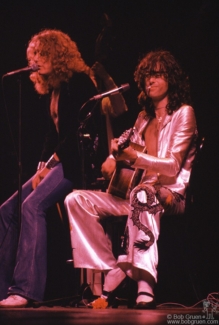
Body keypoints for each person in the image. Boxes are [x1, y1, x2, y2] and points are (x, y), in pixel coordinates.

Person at [64, 50, 198, 309]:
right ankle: (115, 268)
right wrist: (113, 159)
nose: (150, 80)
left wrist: (133, 159)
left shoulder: (184, 113)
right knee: (76, 199)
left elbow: (171, 168)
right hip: (136, 195)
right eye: (147, 75)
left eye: (158, 75)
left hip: (170, 195)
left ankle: (145, 284)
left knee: (143, 194)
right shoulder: (143, 118)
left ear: (171, 78)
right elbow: (125, 163)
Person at [0, 29, 98, 308]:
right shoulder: (53, 89)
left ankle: (26, 289)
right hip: (58, 162)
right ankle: (3, 287)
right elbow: (50, 135)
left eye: (43, 54)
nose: (37, 60)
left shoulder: (78, 83)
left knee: (32, 207)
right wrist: (42, 164)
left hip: (75, 165)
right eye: (34, 55)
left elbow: (76, 133)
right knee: (7, 210)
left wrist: (51, 163)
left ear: (58, 54)